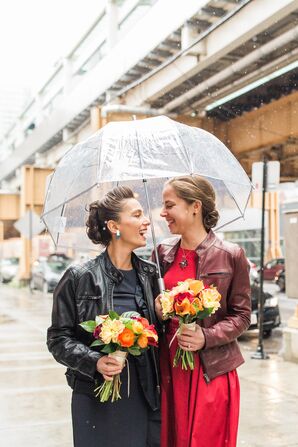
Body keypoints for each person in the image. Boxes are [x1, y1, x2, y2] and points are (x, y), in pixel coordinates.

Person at [47, 186, 161, 447]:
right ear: (114, 225)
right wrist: (94, 361)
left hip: (145, 398)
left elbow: (158, 338)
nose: (146, 221)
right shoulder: (79, 277)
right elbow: (58, 338)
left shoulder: (151, 274)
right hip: (96, 398)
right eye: (137, 215)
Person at [154, 175, 251, 447]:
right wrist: (156, 308)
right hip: (168, 367)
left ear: (195, 206)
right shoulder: (161, 253)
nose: (163, 213)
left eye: (170, 205)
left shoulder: (231, 254)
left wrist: (206, 337)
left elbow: (242, 316)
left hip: (211, 369)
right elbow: (150, 306)